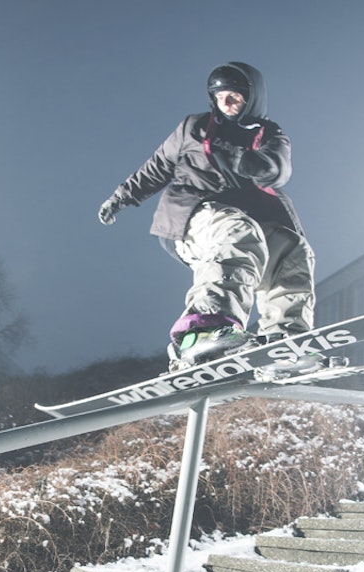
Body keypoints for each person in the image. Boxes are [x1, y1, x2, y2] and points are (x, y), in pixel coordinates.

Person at [98, 61, 316, 371]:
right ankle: (204, 329)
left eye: (234, 98)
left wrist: (254, 164)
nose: (226, 104)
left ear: (252, 99)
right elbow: (157, 167)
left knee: (292, 249)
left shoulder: (269, 134)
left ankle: (286, 340)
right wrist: (121, 197)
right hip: (194, 213)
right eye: (220, 97)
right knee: (237, 233)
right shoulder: (194, 127)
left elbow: (279, 167)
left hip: (251, 221)